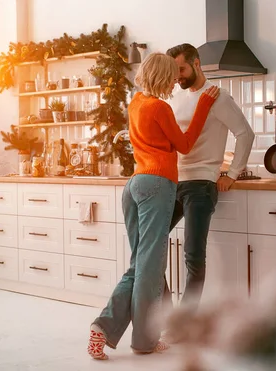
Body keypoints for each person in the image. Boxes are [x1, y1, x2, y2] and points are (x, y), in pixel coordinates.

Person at [87, 52, 220, 360]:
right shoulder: (160, 107)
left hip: (134, 186)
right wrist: (203, 105)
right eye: (172, 74)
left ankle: (103, 329)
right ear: (162, 76)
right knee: (149, 269)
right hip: (158, 185)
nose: (176, 79)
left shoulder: (135, 103)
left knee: (140, 265)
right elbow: (185, 145)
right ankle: (144, 341)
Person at [162, 43, 255, 322]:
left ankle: (184, 322)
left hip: (201, 184)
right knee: (149, 244)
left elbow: (245, 134)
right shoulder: (175, 98)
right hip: (173, 181)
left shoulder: (217, 97)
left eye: (181, 69)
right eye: (173, 71)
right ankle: (167, 315)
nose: (177, 76)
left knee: (192, 257)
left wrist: (232, 173)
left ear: (197, 63)